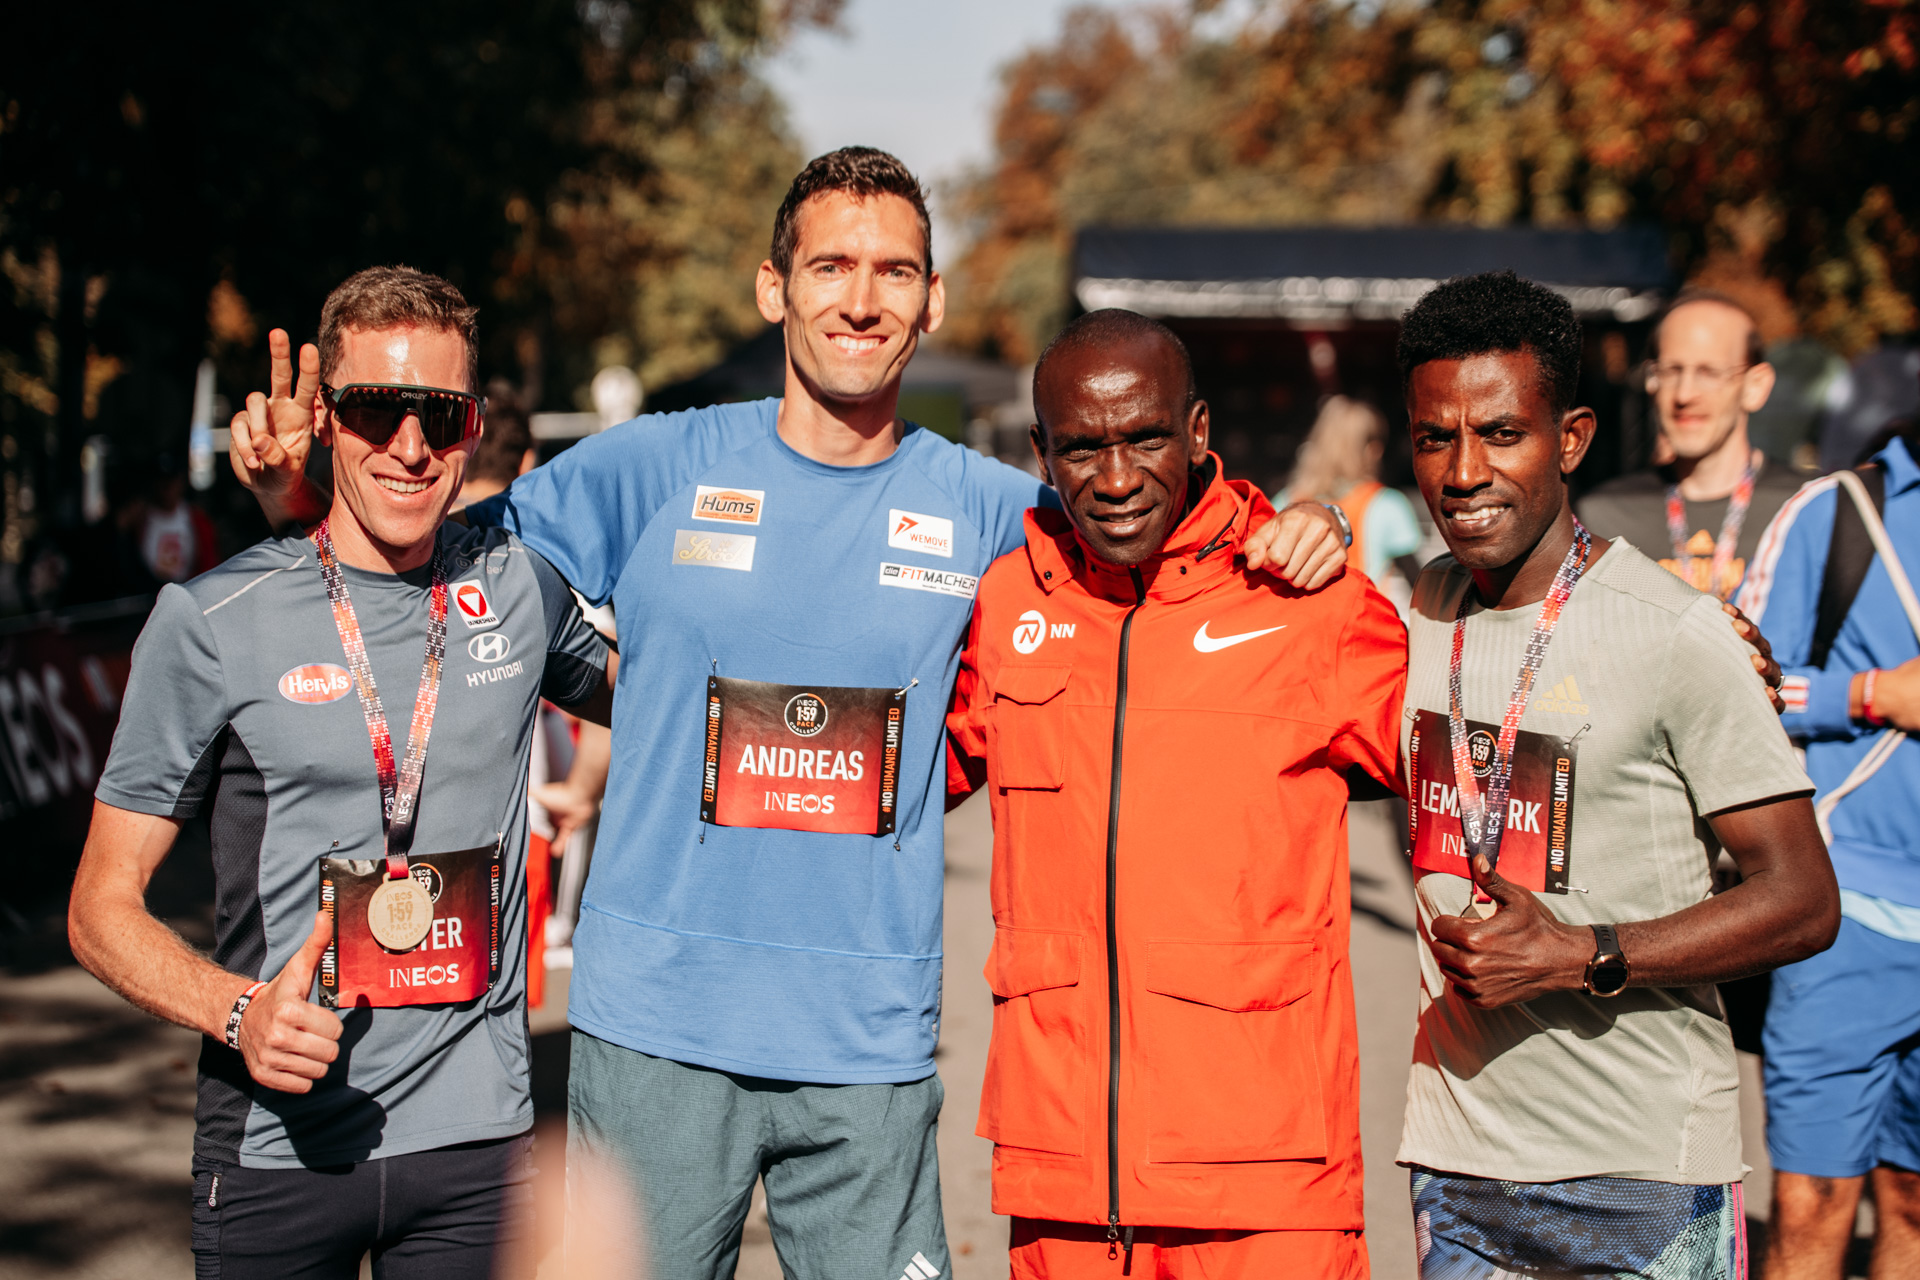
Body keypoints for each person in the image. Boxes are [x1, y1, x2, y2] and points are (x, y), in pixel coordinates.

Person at [231, 149, 1349, 1279]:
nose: (862, 300)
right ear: (774, 288)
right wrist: (301, 497)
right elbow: (427, 567)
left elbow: (1158, 526)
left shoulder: (996, 509)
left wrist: (1300, 521)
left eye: (894, 271)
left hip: (868, 1045)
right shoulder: (652, 465)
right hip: (656, 1033)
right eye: (830, 266)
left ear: (931, 301)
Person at [70, 266, 615, 1279]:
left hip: (478, 1153)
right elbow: (99, 908)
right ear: (324, 417)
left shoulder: (521, 589)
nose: (410, 446)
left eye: (441, 416)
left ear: (473, 426)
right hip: (280, 1150)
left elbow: (662, 699)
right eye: (375, 410)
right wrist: (237, 1011)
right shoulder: (212, 620)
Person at [1391, 270, 1838, 1280]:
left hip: (1642, 1173)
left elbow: (1804, 899)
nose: (1464, 471)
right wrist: (1315, 523)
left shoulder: (1676, 632)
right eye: (1434, 437)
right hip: (1458, 1166)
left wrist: (1577, 954)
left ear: (1572, 439)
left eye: (1502, 433)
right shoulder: (1409, 617)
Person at [944, 310, 1405, 1278]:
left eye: (1145, 438)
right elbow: (894, 776)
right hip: (1063, 1184)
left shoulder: (1310, 605)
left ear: (1198, 432)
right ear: (1041, 451)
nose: (1115, 479)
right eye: (1082, 448)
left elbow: (1480, 734)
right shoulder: (1008, 602)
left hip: (1267, 1193)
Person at [1735, 419, 1920, 1280]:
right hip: (1852, 919)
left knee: (1913, 1203)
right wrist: (1873, 692)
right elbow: (1743, 686)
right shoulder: (1838, 510)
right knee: (1814, 1204)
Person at [1579, 290, 1800, 602]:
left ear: (1756, 386)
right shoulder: (1603, 518)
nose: (1684, 394)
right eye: (1671, 371)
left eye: (1709, 372)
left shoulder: (1810, 506)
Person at [1282, 394, 1426, 608]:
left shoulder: (1286, 500)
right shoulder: (1387, 504)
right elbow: (1420, 585)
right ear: (1373, 450)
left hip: (1299, 619)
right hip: (1358, 618)